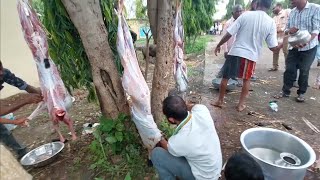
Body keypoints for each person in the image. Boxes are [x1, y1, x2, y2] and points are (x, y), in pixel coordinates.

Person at [213, 0, 282, 112]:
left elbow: (229, 33)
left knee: (225, 77)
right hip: (251, 55)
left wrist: (219, 45)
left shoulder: (245, 15)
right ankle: (240, 105)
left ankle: (219, 101)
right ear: (269, 7)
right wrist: (282, 45)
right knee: (246, 80)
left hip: (235, 52)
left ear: (257, 3)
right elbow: (272, 47)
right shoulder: (270, 22)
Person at [151, 96, 222, 180]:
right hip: (215, 170)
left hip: (202, 177)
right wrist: (181, 107)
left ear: (171, 119)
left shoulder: (180, 140)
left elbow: (168, 147)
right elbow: (194, 106)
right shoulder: (202, 110)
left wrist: (159, 136)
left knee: (157, 154)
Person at [275, 0, 320, 102]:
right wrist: (289, 30)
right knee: (289, 68)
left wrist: (306, 42)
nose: (291, 1)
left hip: (309, 47)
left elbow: (316, 30)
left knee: (304, 70)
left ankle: (301, 93)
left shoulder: (315, 8)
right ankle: (285, 91)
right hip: (294, 46)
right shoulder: (293, 12)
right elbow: (286, 29)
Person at [0, 61, 42, 159]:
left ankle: (23, 154)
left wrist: (41, 94)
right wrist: (25, 100)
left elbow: (24, 85)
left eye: (0, 68)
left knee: (4, 132)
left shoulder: (4, 73)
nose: (0, 73)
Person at [216, 5, 244, 78]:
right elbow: (225, 37)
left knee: (236, 63)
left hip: (239, 47)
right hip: (230, 48)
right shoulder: (228, 23)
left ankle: (231, 77)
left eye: (241, 11)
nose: (240, 13)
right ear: (233, 13)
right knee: (229, 63)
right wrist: (225, 50)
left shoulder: (243, 22)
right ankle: (223, 75)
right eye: (237, 11)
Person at [268, 3, 290, 71]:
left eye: (274, 8)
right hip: (277, 36)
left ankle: (288, 67)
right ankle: (275, 66)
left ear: (279, 6)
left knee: (286, 51)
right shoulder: (274, 18)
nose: (273, 10)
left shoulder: (287, 12)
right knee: (275, 51)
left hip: (286, 36)